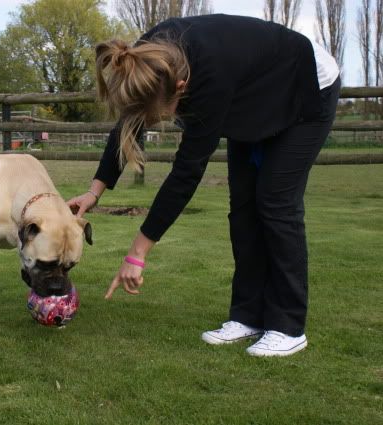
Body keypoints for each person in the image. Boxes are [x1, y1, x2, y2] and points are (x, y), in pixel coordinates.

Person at [67, 14, 340, 357]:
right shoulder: (146, 59)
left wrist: (137, 253)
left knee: (274, 201)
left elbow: (186, 173)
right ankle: (247, 316)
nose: (165, 121)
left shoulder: (210, 76)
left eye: (164, 115)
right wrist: (95, 192)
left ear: (180, 88)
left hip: (305, 85)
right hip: (252, 95)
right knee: (242, 207)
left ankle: (288, 326)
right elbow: (128, 125)